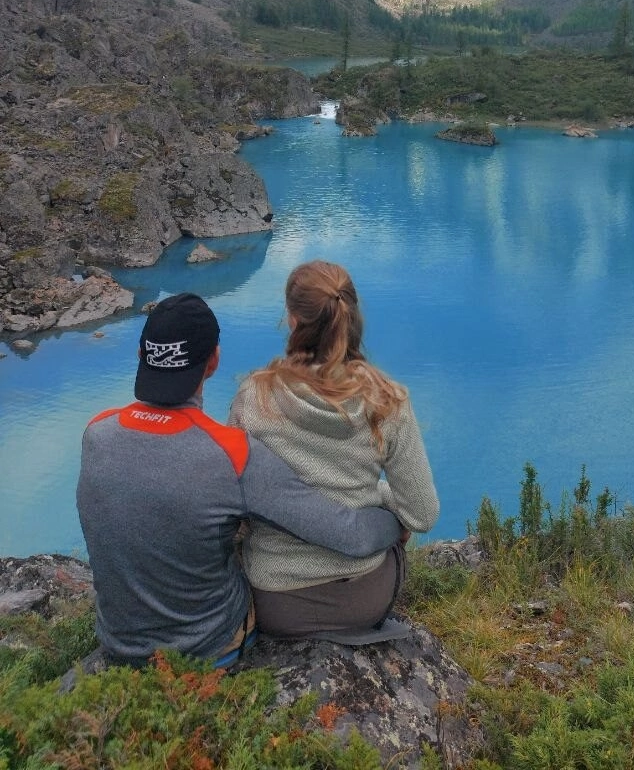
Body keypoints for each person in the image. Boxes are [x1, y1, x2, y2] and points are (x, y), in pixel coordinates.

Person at [76, 292, 403, 667]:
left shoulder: (96, 434)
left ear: (140, 355)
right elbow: (350, 535)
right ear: (213, 361)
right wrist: (394, 520)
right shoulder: (231, 455)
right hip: (210, 649)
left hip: (119, 647)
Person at [229, 260, 439, 641]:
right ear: (352, 316)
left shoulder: (254, 398)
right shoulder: (387, 400)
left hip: (276, 603)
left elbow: (234, 501)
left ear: (293, 320)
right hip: (364, 597)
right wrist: (380, 498)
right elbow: (422, 514)